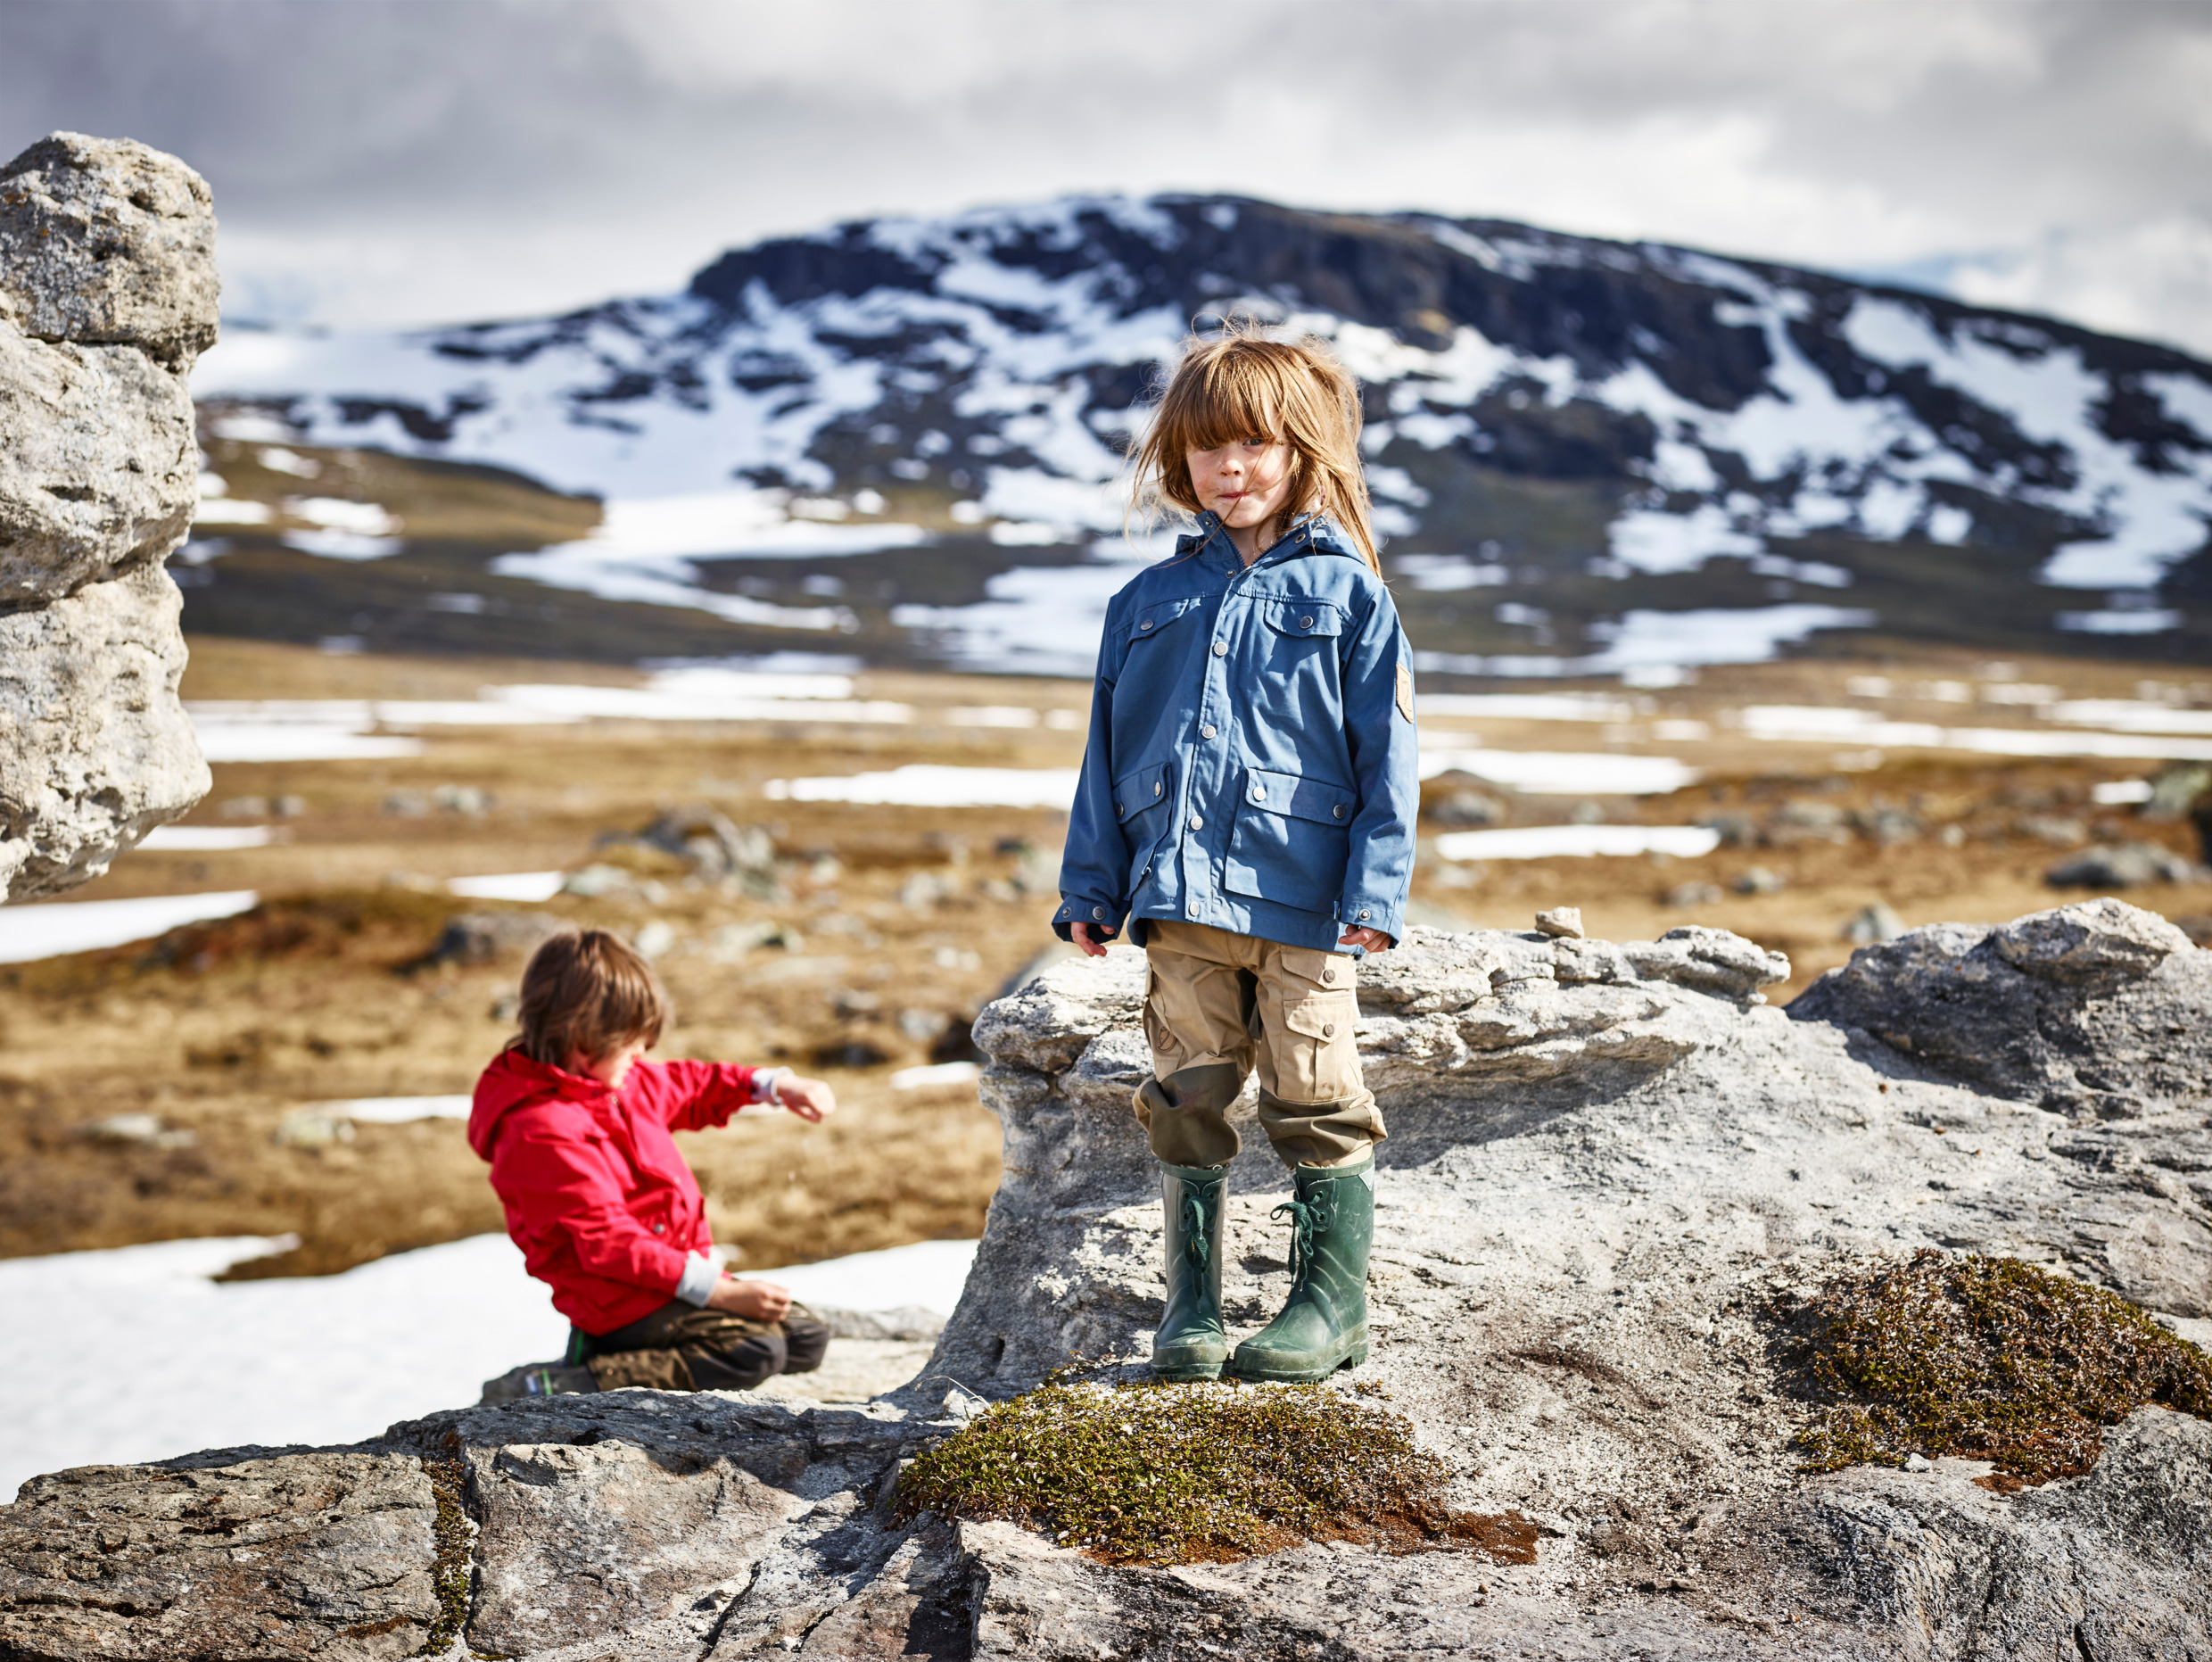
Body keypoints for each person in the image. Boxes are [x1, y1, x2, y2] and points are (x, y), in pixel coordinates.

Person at [1052, 323, 1419, 1385]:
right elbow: (1102, 755)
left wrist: (1375, 888)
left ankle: (1326, 1306)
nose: (1230, 469)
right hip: (1178, 903)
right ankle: (1193, 1309)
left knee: (1315, 1096)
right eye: (1207, 449)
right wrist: (1091, 884)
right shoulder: (1145, 604)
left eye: (1253, 445)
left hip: (1305, 906)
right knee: (1184, 1099)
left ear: (1302, 451)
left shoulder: (1350, 595)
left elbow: (1388, 754)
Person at [468, 927, 837, 1398]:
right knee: (756, 1350)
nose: (643, 1052)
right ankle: (575, 1382)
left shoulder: (620, 1082)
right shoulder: (541, 1129)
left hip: (665, 1278)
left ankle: (625, 1356)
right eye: (631, 1041)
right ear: (580, 1039)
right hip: (615, 1299)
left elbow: (691, 1084)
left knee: (806, 1339)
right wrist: (718, 1291)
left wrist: (773, 1086)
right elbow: (608, 1244)